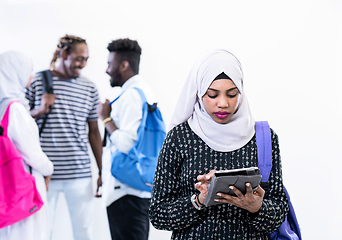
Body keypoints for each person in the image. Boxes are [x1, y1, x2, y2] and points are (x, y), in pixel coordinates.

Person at [148, 49, 289, 239]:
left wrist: (257, 208)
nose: (222, 103)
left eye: (231, 94)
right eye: (213, 94)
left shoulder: (264, 138)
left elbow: (280, 208)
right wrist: (198, 201)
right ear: (199, 92)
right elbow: (158, 214)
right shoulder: (179, 138)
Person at [25, 35, 102, 240]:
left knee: (83, 232)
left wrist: (102, 169)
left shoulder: (90, 88)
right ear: (64, 54)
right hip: (44, 173)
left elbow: (93, 131)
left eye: (86, 59)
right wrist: (39, 110)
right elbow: (20, 122)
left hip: (79, 173)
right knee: (42, 232)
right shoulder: (38, 81)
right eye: (79, 58)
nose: (83, 64)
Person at [0, 51, 54, 240]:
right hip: (22, 188)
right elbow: (33, 155)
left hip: (0, 191)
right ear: (14, 73)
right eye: (28, 70)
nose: (31, 75)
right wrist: (49, 168)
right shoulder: (15, 109)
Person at [98, 38, 156, 240]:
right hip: (134, 188)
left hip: (125, 192)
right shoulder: (141, 92)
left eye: (109, 64)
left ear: (123, 65)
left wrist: (105, 118)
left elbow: (126, 143)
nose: (106, 70)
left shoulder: (131, 95)